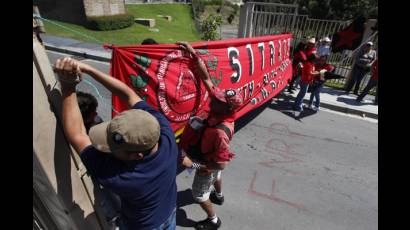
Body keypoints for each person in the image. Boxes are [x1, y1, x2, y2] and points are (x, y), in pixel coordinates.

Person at [55, 57, 179, 230]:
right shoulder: (164, 135)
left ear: (136, 155)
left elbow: (77, 134)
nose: (108, 150)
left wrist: (68, 87)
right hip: (169, 212)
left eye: (112, 148)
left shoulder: (119, 177)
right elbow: (129, 95)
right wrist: (89, 69)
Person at [177, 41, 243, 230]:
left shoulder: (219, 132)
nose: (212, 98)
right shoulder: (222, 110)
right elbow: (206, 79)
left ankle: (213, 220)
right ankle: (219, 196)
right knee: (218, 176)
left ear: (227, 107)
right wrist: (193, 54)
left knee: (199, 195)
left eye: (218, 100)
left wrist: (195, 165)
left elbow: (221, 163)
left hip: (207, 163)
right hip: (211, 156)